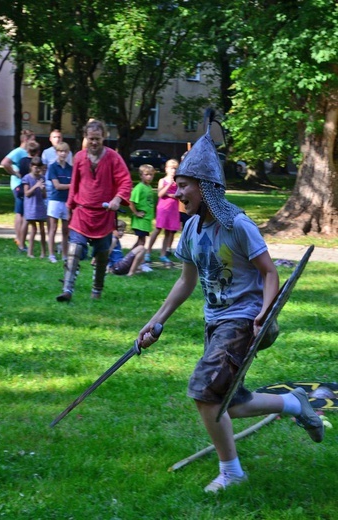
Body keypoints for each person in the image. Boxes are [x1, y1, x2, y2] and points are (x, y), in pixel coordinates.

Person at [138, 124, 324, 493]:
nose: (178, 191)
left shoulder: (238, 225)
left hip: (242, 319)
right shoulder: (191, 230)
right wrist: (155, 323)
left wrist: (263, 313)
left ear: (206, 187)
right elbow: (185, 282)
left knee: (204, 392)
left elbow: (269, 273)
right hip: (214, 323)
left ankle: (232, 472)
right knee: (230, 404)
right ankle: (294, 403)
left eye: (185, 184)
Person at [56, 119, 132, 302]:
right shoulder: (79, 157)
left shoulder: (113, 157)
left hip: (104, 215)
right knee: (74, 249)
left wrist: (116, 199)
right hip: (82, 213)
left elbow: (125, 181)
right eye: (91, 138)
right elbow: (74, 184)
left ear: (104, 137)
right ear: (85, 138)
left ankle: (97, 290)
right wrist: (69, 206)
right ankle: (67, 290)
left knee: (102, 253)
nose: (94, 142)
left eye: (97, 138)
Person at [0, 129, 36, 251]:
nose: (34, 141)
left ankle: (20, 240)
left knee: (22, 212)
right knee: (20, 213)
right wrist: (15, 173)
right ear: (26, 139)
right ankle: (20, 242)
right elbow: (5, 163)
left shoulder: (25, 152)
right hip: (19, 186)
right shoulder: (18, 152)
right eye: (32, 139)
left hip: (23, 185)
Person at [145, 159, 180, 265]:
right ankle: (148, 252)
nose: (173, 170)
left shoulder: (178, 181)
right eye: (171, 168)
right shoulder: (162, 180)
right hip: (163, 208)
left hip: (173, 208)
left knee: (169, 232)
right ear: (166, 169)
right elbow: (160, 194)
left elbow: (180, 194)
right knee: (158, 229)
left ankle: (163, 254)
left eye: (175, 168)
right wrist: (169, 185)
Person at [47, 142, 73, 263]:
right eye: (60, 151)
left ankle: (64, 255)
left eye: (65, 151)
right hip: (55, 200)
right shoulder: (52, 167)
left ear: (68, 153)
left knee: (65, 229)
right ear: (56, 152)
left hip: (66, 201)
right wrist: (71, 185)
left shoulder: (70, 168)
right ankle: (51, 254)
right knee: (53, 228)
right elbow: (57, 186)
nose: (62, 154)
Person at [21, 156, 47, 258]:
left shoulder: (42, 178)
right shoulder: (27, 178)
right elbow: (26, 193)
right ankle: (30, 252)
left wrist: (43, 189)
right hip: (30, 207)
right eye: (35, 167)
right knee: (34, 229)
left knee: (42, 229)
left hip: (40, 206)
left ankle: (43, 252)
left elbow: (44, 196)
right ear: (31, 166)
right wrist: (36, 186)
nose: (37, 170)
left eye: (39, 168)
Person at [41, 129, 73, 210]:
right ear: (50, 139)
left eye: (59, 137)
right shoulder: (46, 152)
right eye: (54, 137)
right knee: (50, 210)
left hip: (64, 183)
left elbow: (70, 168)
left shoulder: (69, 153)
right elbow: (43, 169)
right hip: (50, 184)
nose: (57, 139)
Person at [129, 164, 156, 248]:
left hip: (146, 220)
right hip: (140, 220)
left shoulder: (149, 187)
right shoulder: (139, 188)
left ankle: (131, 257)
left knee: (140, 241)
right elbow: (131, 201)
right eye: (146, 174)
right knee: (142, 242)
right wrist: (136, 213)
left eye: (151, 175)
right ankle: (136, 258)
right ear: (141, 176)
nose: (149, 177)